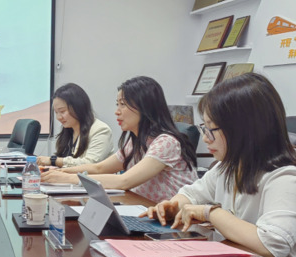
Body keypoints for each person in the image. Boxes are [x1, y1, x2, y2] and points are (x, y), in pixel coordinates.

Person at [144, 73, 296, 257]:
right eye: (204, 128)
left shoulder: (288, 177)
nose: (205, 138)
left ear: (245, 130)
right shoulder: (228, 166)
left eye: (211, 129)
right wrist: (174, 206)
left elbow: (271, 246)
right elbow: (192, 194)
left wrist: (210, 213)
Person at [41, 76, 197, 202]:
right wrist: (60, 172)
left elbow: (124, 181)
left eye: (123, 104)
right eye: (118, 104)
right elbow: (99, 168)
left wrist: (68, 178)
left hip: (171, 221)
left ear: (145, 107)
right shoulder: (135, 141)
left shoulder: (166, 142)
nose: (117, 111)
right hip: (143, 209)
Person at [36, 83, 113, 168]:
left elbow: (90, 164)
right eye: (56, 112)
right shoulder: (68, 130)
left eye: (62, 111)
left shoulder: (101, 130)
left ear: (78, 107)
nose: (58, 117)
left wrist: (54, 161)